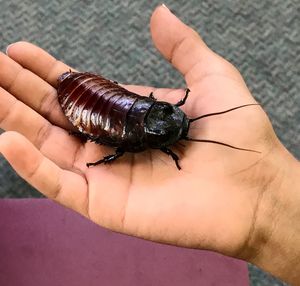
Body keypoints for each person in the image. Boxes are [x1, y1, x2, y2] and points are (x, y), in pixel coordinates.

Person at [0, 4, 299, 285]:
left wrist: (269, 201)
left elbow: (117, 145)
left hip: (102, 103)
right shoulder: (151, 142)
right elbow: (117, 147)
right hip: (95, 100)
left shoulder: (157, 123)